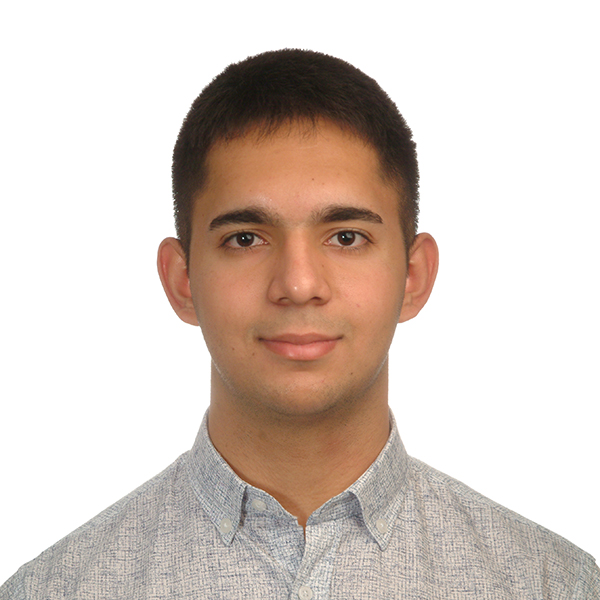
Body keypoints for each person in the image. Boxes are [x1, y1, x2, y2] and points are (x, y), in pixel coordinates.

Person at [1, 49, 598, 600]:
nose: (298, 283)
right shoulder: (51, 591)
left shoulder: (554, 585)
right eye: (245, 238)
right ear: (182, 281)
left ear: (413, 277)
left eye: (346, 237)